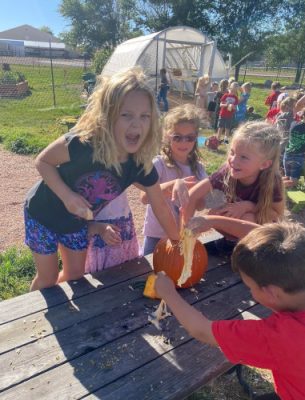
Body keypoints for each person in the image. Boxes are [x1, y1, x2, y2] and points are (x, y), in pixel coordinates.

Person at [25, 67, 180, 291]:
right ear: (108, 115)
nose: (136, 124)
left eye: (144, 116)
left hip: (75, 222)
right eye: (126, 115)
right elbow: (43, 161)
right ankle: (33, 312)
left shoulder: (140, 164)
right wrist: (67, 196)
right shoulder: (84, 143)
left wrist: (177, 242)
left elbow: (160, 205)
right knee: (47, 279)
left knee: (75, 275)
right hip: (42, 213)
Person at [155, 220, 305, 400]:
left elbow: (203, 331)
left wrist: (168, 293)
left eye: (249, 286)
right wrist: (212, 221)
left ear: (271, 293)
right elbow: (286, 249)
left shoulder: (281, 337)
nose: (249, 291)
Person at [184, 121, 285, 225]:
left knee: (248, 218)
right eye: (232, 153)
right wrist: (186, 229)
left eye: (243, 157)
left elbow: (277, 215)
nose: (233, 160)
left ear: (264, 164)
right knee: (214, 212)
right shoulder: (227, 170)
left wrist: (248, 206)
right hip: (233, 220)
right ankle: (224, 239)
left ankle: (244, 241)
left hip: (257, 230)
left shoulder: (272, 180)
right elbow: (192, 195)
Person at [141, 104, 208, 255]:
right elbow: (144, 197)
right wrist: (174, 185)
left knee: (179, 274)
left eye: (189, 138)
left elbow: (200, 206)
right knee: (148, 273)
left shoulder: (198, 169)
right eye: (177, 137)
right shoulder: (158, 164)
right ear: (167, 136)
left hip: (183, 234)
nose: (183, 143)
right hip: (156, 233)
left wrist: (204, 197)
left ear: (196, 138)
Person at [85, 190, 139, 272]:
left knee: (129, 272)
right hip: (98, 238)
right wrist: (99, 228)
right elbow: (73, 223)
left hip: (125, 231)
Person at [283, 109, 305, 188]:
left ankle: (272, 182)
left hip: (287, 154)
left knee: (287, 177)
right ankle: (273, 186)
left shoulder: (294, 123)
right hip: (297, 157)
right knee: (293, 182)